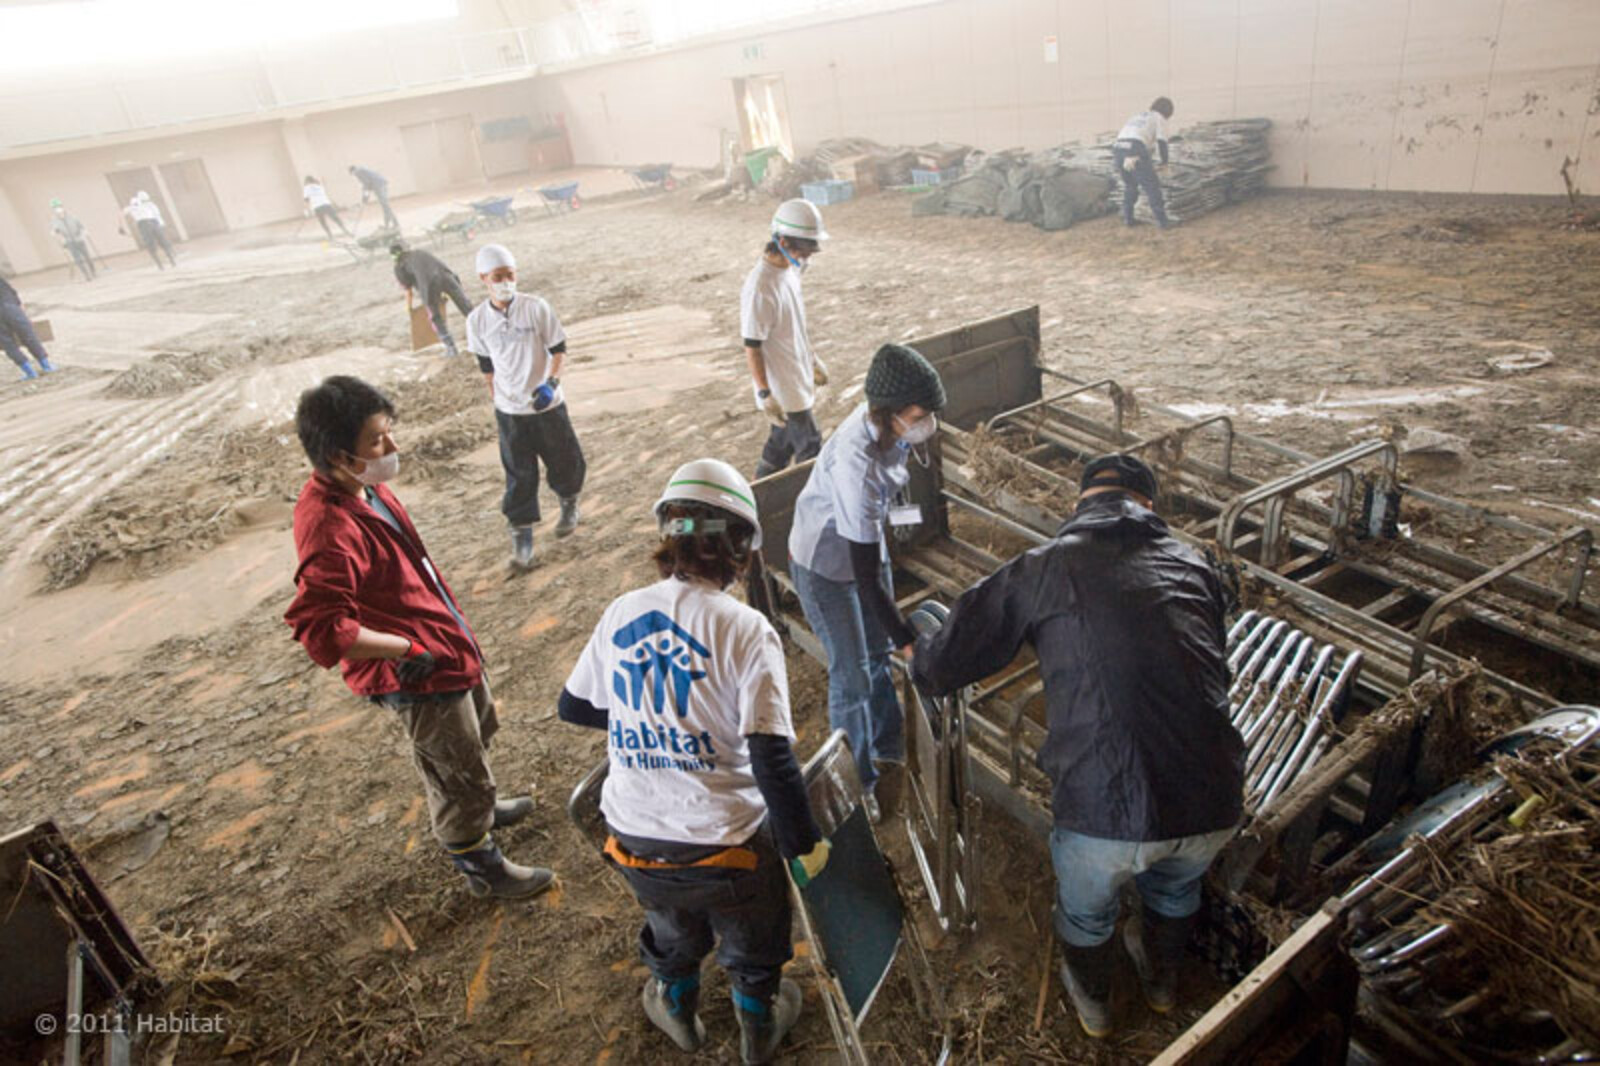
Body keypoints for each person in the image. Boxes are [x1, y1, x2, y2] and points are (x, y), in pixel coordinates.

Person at [911, 454, 1243, 1038]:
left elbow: (950, 656)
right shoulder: (1197, 566)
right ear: (1149, 506)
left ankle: (1094, 1005)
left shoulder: (1047, 566)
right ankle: (1163, 985)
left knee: (1089, 909)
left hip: (1104, 810)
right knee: (1178, 882)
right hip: (1213, 798)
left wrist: (923, 662)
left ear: (1078, 504)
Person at [559, 458, 828, 1064]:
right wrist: (803, 842)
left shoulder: (623, 611)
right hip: (727, 847)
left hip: (635, 837)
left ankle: (676, 1005)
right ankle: (757, 1022)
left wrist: (649, 717)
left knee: (671, 927)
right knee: (754, 935)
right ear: (742, 551)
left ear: (668, 537)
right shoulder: (746, 629)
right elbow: (771, 757)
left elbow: (574, 706)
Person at [284, 375, 553, 900]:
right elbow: (322, 630)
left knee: (477, 731)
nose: (392, 448)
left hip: (443, 644)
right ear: (341, 456)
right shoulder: (330, 528)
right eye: (378, 440)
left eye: (388, 432)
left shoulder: (366, 489)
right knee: (456, 770)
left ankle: (483, 808)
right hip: (419, 669)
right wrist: (407, 649)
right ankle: (482, 865)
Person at [787, 343, 945, 820]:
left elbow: (873, 562)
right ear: (893, 412)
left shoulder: (888, 424)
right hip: (824, 565)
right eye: (920, 415)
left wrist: (893, 638)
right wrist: (909, 642)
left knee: (875, 654)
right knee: (852, 675)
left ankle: (889, 744)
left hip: (865, 547)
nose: (927, 423)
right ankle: (853, 787)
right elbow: (863, 578)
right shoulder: (858, 463)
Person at [467, 243, 586, 571]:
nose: (505, 281)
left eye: (510, 274)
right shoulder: (477, 321)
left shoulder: (536, 308)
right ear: (483, 278)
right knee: (519, 475)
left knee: (564, 460)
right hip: (511, 412)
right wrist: (499, 400)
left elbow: (559, 349)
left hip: (547, 406)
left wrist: (551, 383)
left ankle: (569, 504)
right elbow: (486, 367)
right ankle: (522, 544)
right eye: (497, 276)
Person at [741, 198, 831, 478]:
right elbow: (752, 346)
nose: (805, 258)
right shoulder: (761, 288)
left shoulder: (789, 272)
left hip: (797, 370)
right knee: (810, 447)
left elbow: (794, 325)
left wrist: (812, 358)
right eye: (801, 251)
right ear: (780, 240)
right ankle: (806, 503)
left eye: (809, 252)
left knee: (780, 445)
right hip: (783, 386)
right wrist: (765, 393)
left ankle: (759, 493)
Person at [391, 241, 474, 358]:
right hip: (447, 276)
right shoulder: (420, 252)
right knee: (466, 306)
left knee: (435, 316)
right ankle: (485, 332)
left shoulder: (399, 266)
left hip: (429, 286)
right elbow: (438, 266)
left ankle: (451, 348)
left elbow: (408, 290)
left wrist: (409, 308)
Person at [1112, 97, 1176, 229]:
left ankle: (1128, 219)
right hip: (1135, 148)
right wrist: (1165, 163)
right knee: (1152, 186)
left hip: (1118, 148)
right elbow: (1162, 142)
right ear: (1167, 111)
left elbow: (1140, 137)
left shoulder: (1138, 116)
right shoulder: (1159, 118)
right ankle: (1163, 222)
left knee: (1130, 185)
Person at [0, 275, 56, 380]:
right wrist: (19, 307)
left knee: (8, 345)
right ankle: (46, 366)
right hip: (11, 307)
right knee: (29, 336)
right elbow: (11, 292)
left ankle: (30, 372)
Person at [122, 191, 178, 269]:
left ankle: (163, 264)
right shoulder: (146, 205)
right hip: (152, 223)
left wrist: (123, 227)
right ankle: (169, 261)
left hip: (146, 224)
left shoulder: (134, 207)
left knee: (153, 244)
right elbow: (156, 215)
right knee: (160, 242)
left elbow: (123, 214)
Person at [50, 199, 95, 280]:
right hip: (69, 242)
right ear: (53, 210)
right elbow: (56, 231)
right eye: (55, 208)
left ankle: (93, 271)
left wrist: (85, 232)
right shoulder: (55, 221)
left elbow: (81, 226)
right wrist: (55, 233)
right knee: (78, 260)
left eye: (59, 206)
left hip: (79, 240)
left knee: (87, 257)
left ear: (62, 207)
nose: (58, 209)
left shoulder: (72, 217)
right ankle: (86, 275)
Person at [349, 164, 400, 230]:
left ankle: (395, 223)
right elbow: (368, 183)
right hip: (382, 184)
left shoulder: (357, 172)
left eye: (352, 174)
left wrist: (365, 197)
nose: (354, 176)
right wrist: (365, 196)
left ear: (352, 171)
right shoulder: (362, 169)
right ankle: (387, 224)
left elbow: (366, 183)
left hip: (378, 186)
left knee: (385, 206)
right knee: (385, 206)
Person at [303, 175, 352, 240]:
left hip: (317, 206)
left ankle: (330, 235)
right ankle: (345, 231)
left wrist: (307, 211)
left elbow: (306, 200)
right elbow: (322, 180)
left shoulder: (306, 188)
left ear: (307, 181)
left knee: (323, 221)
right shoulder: (319, 185)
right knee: (336, 218)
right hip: (326, 204)